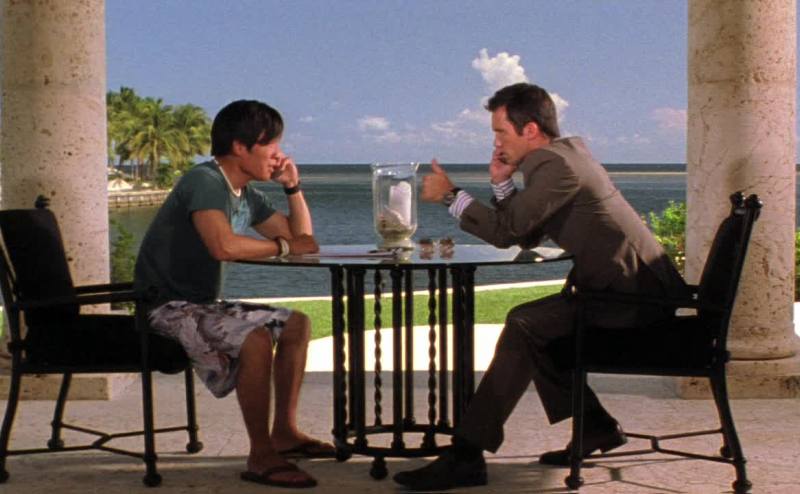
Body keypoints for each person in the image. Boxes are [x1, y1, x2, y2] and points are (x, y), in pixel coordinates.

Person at [393, 83, 688, 491]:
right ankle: (595, 428)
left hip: (631, 300)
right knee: (538, 328)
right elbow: (526, 233)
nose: (496, 142)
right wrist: (501, 183)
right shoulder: (564, 157)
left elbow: (507, 232)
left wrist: (451, 196)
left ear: (530, 129)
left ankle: (466, 455)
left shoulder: (555, 165)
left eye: (501, 132)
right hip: (630, 290)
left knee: (526, 324)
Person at [134, 100, 332, 489]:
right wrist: (285, 247)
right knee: (254, 338)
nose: (278, 155)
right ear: (241, 147)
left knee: (296, 324)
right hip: (163, 307)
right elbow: (223, 246)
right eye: (271, 146)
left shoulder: (245, 194)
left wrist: (292, 187)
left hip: (201, 305)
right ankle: (261, 455)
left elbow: (302, 240)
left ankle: (284, 433)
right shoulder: (205, 180)